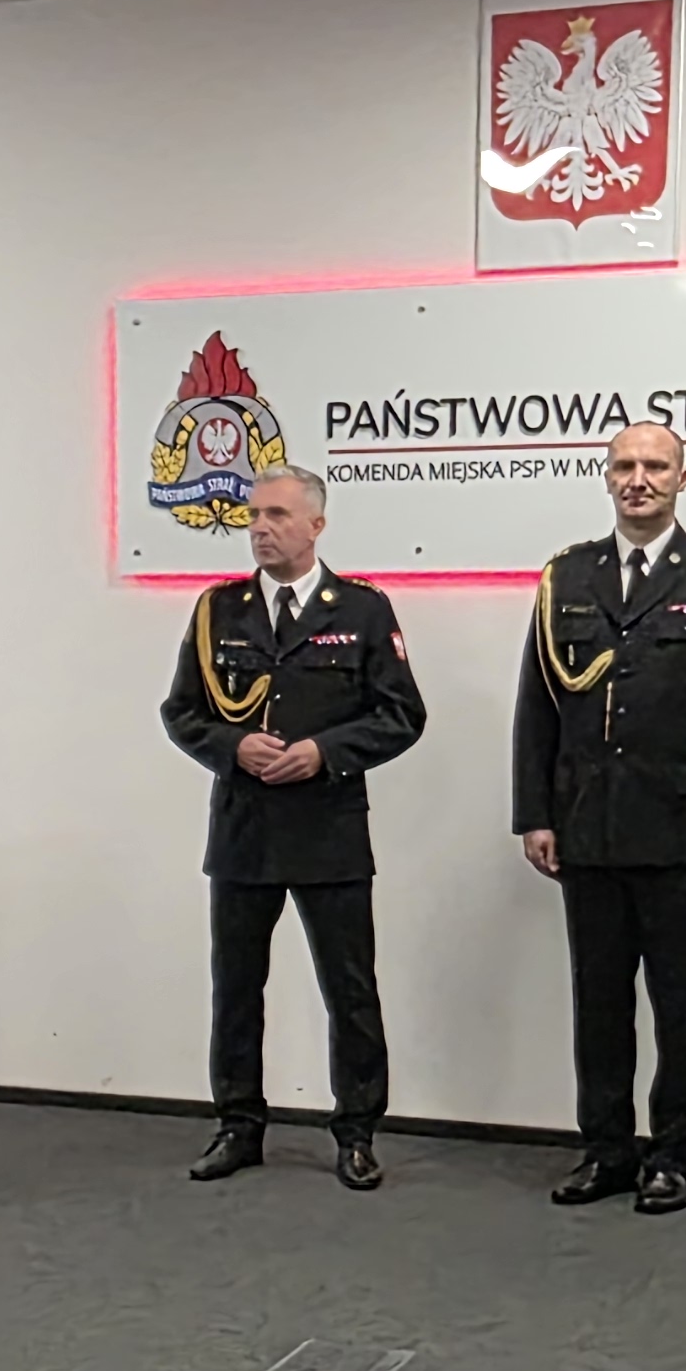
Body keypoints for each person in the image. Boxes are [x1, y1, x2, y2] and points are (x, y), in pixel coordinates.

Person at [511, 424, 686, 1215]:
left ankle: (673, 1155)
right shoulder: (567, 576)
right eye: (625, 465)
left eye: (655, 466)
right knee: (598, 1004)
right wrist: (535, 812)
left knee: (681, 1004)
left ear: (683, 478)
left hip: (685, 830)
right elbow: (538, 707)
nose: (639, 478)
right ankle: (606, 1149)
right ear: (605, 477)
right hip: (588, 827)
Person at [160, 467, 427, 1189]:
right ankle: (238, 1125)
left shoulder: (363, 610)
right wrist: (231, 746)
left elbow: (402, 714)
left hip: (328, 829)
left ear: (316, 525)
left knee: (350, 989)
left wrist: (324, 753)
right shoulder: (220, 611)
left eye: (277, 514)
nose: (260, 527)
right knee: (236, 988)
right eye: (253, 515)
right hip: (244, 829)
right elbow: (181, 712)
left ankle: (357, 1132)